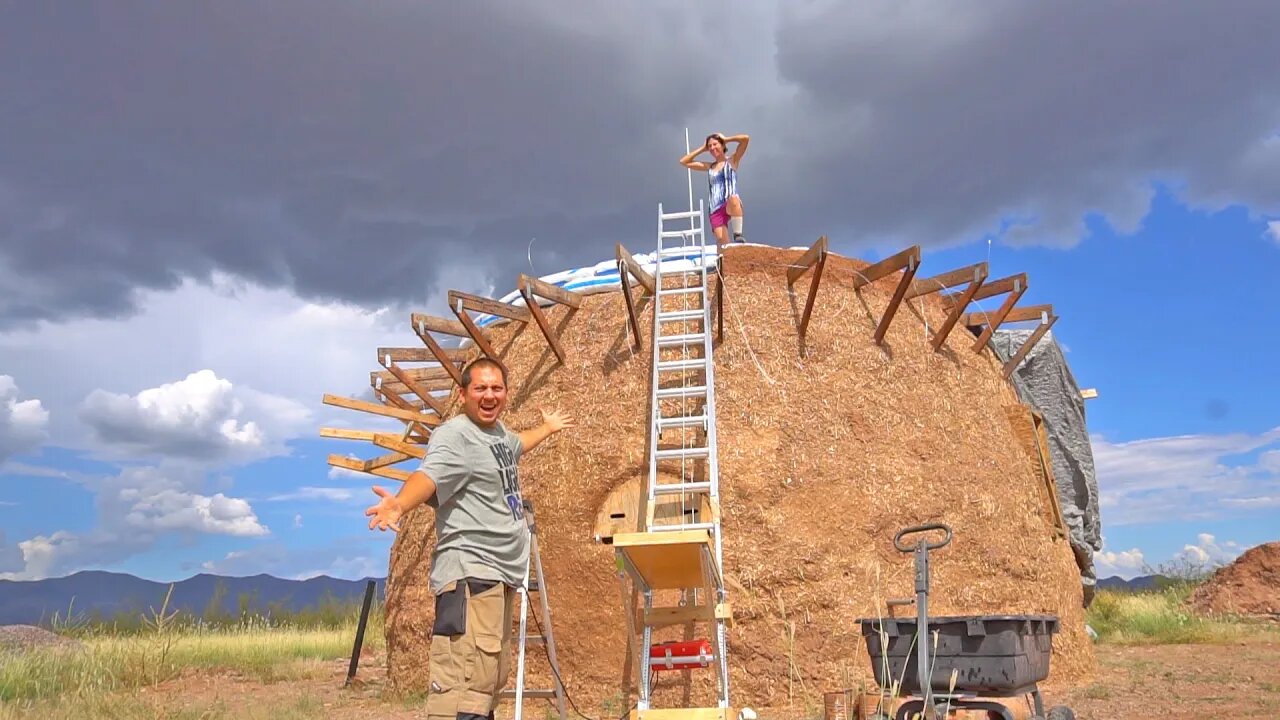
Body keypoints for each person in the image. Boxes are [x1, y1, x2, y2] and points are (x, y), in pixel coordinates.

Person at [365, 357, 575, 720]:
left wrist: (548, 428)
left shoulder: (496, 435)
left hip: (495, 579)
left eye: (497, 388)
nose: (489, 395)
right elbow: (428, 475)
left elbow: (516, 445)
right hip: (471, 576)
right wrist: (398, 504)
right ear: (462, 394)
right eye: (480, 388)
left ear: (506, 393)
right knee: (463, 694)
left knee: (485, 685)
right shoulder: (455, 435)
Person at [679, 132, 750, 246]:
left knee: (734, 198)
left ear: (722, 145)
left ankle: (738, 235)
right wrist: (702, 149)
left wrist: (726, 139)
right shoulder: (710, 167)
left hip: (730, 203)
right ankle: (722, 261)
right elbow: (684, 161)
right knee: (723, 244)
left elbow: (745, 139)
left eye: (715, 144)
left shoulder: (732, 161)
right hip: (715, 208)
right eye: (710, 146)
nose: (712, 148)